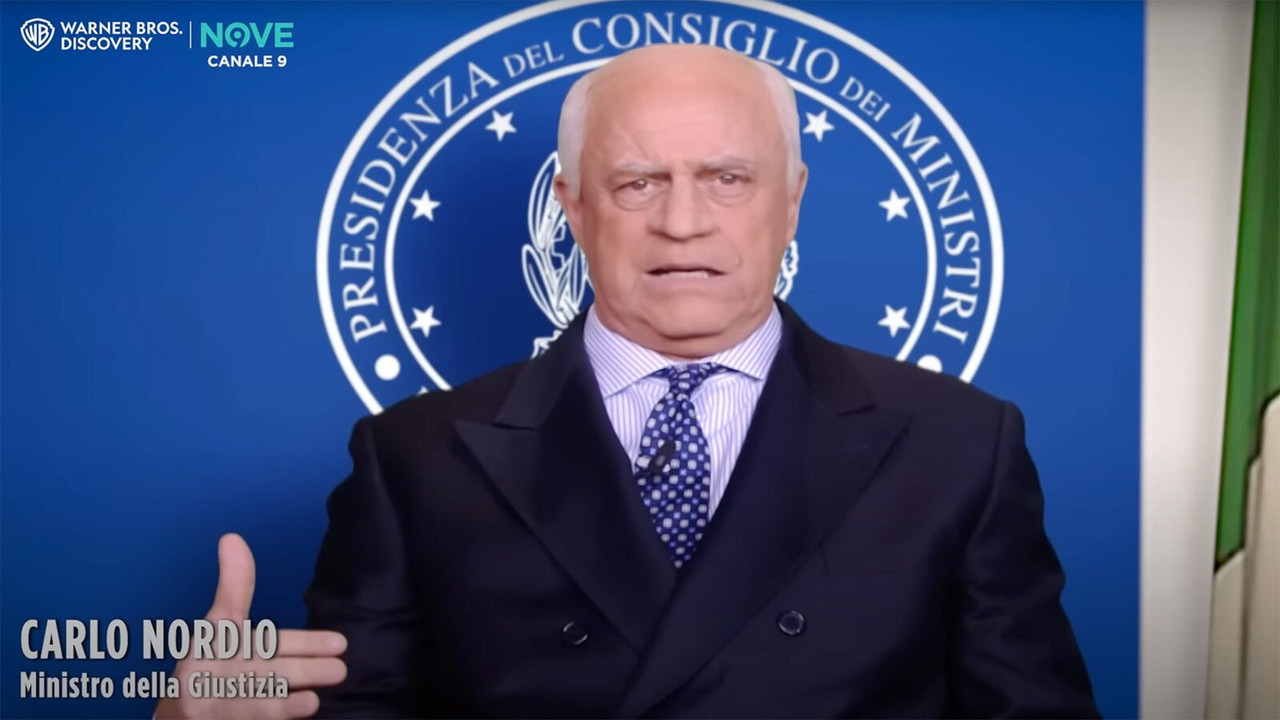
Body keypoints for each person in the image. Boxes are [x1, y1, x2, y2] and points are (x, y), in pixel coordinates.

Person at [157, 44, 1099, 719]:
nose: (683, 222)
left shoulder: (960, 445)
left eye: (727, 178)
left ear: (793, 200)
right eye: (638, 182)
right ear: (571, 206)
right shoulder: (411, 457)